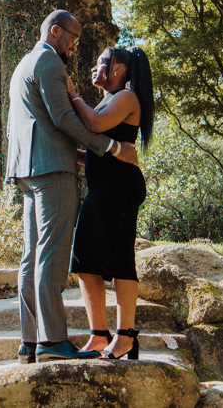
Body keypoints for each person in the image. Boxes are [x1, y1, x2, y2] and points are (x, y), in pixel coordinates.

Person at [6, 10, 138, 363]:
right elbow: (63, 118)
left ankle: (30, 341)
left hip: (27, 168)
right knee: (51, 255)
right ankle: (52, 341)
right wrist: (112, 148)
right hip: (52, 169)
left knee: (31, 257)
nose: (74, 48)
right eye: (72, 39)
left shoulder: (24, 64)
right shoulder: (50, 63)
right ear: (55, 31)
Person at [67, 46, 154, 360]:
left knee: (120, 261)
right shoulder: (107, 100)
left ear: (118, 69)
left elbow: (94, 125)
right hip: (104, 187)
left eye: (101, 62)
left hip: (120, 188)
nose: (94, 67)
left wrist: (73, 95)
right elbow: (97, 150)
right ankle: (99, 335)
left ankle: (126, 337)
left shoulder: (126, 97)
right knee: (84, 261)